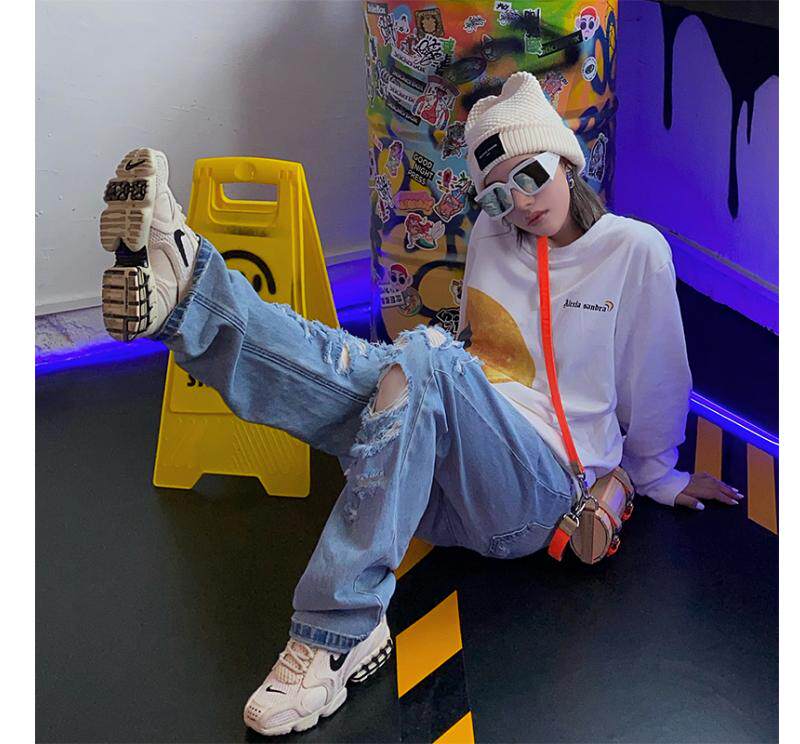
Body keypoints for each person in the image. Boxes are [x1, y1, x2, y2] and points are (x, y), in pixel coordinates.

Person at [96, 72, 741, 738]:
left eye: (531, 176)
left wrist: (656, 471)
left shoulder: (634, 251)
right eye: (497, 195)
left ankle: (334, 633)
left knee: (422, 357)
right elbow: (476, 357)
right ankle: (188, 289)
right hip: (445, 495)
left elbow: (656, 373)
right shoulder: (494, 236)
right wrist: (400, 390)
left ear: (566, 161)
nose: (520, 204)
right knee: (342, 360)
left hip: (538, 495)